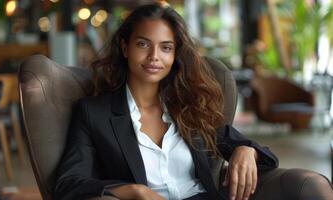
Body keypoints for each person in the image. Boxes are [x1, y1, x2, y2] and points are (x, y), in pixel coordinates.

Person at [53, 3, 333, 200]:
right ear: (125, 47)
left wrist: (247, 151)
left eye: (165, 48)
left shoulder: (187, 105)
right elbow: (68, 184)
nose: (154, 57)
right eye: (142, 44)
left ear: (175, 55)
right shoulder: (95, 113)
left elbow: (263, 154)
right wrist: (133, 191)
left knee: (311, 188)